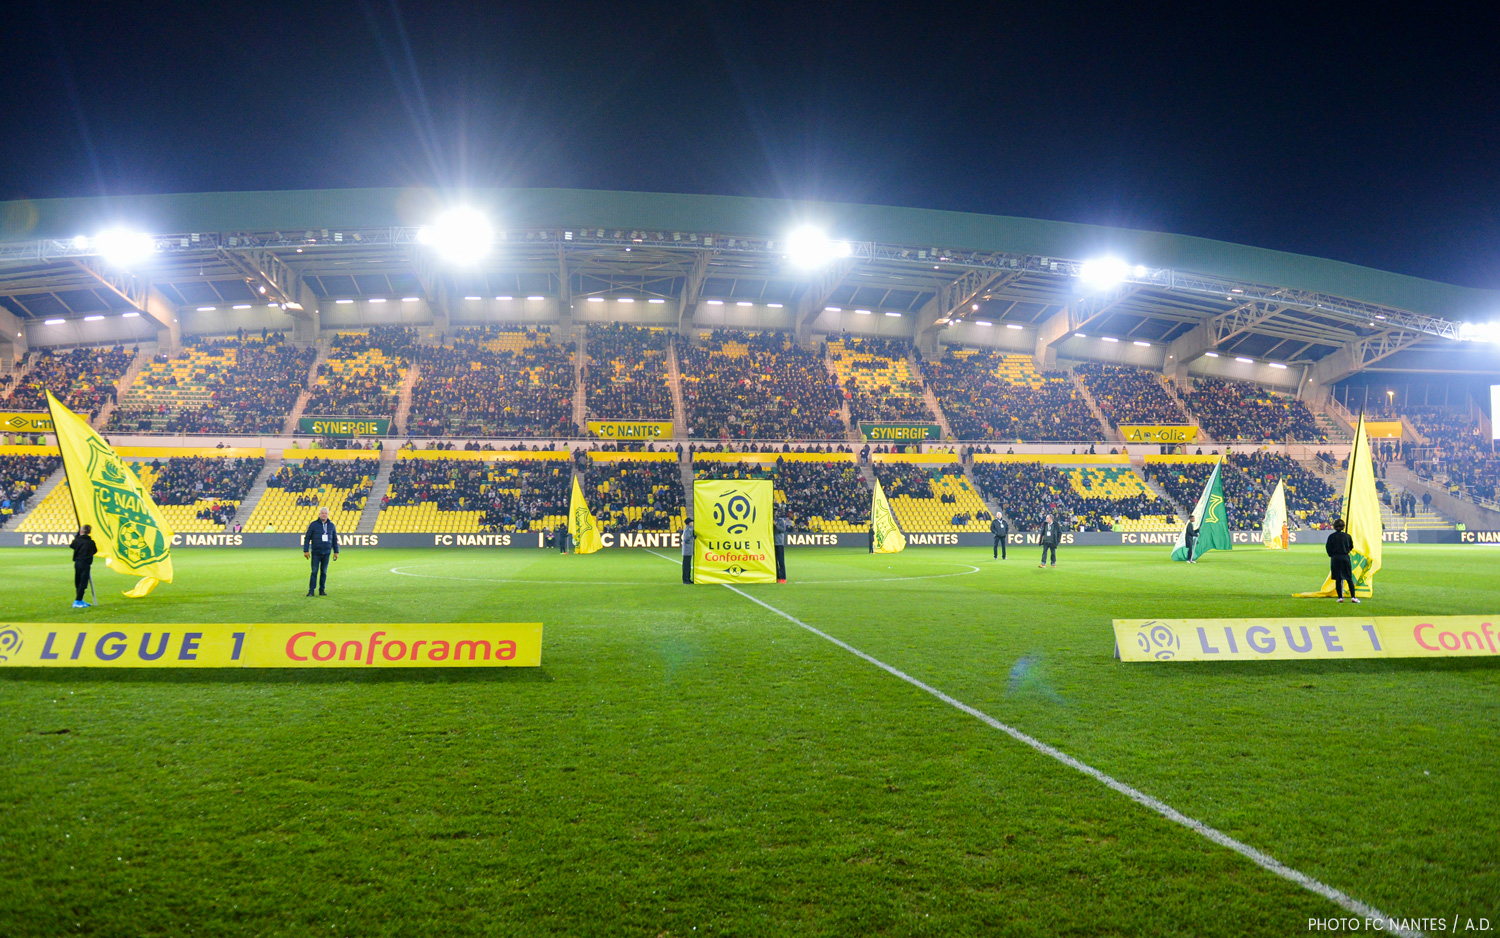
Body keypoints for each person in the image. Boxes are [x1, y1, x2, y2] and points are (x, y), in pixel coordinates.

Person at [302, 507, 340, 596]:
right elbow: (307, 538)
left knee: (324, 572)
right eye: (322, 513)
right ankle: (311, 591)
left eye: (325, 513)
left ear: (328, 515)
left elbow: (334, 539)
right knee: (314, 572)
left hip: (326, 552)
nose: (324, 514)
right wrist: (306, 550)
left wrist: (336, 552)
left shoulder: (331, 525)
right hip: (316, 552)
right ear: (319, 514)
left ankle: (322, 590)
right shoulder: (313, 525)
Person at [1326, 517, 1359, 603]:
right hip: (1345, 557)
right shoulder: (1347, 536)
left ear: (1334, 527)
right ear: (1343, 527)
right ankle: (1353, 597)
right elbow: (1351, 546)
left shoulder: (1331, 537)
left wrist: (1331, 555)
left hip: (1335, 558)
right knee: (1348, 578)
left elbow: (1328, 547)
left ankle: (1340, 597)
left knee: (1338, 578)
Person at [70, 524, 98, 608]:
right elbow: (95, 551)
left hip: (77, 563)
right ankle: (78, 600)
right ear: (89, 532)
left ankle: (79, 599)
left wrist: (78, 535)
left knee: (78, 581)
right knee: (83, 582)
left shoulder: (77, 540)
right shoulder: (90, 542)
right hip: (85, 563)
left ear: (81, 531)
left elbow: (72, 545)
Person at [774, 515, 790, 583]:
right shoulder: (769, 519)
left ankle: (783, 577)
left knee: (781, 561)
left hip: (779, 543)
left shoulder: (780, 520)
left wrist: (776, 525)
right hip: (772, 544)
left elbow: (783, 530)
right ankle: (777, 577)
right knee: (774, 562)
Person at [681, 515, 694, 584]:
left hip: (688, 550)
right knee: (686, 565)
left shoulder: (689, 529)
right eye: (691, 522)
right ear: (689, 523)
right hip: (687, 551)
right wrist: (692, 538)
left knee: (688, 565)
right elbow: (686, 539)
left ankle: (687, 578)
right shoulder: (687, 529)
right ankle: (686, 579)